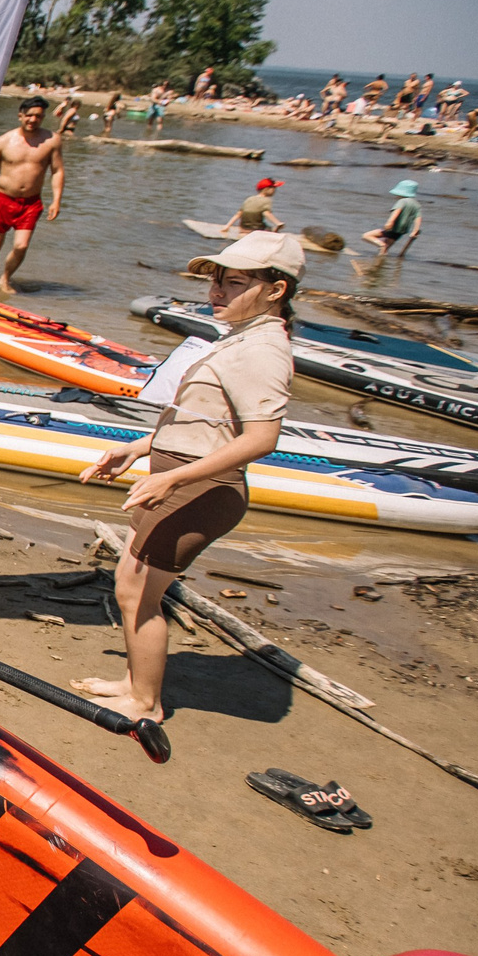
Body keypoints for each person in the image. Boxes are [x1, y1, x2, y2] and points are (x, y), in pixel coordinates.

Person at [74, 231, 300, 726]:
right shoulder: (239, 338)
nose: (216, 291)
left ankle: (145, 704)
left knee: (138, 592)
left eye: (234, 282)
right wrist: (136, 449)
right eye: (216, 281)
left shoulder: (263, 349)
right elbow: (203, 422)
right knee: (130, 585)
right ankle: (136, 684)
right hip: (175, 478)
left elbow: (262, 438)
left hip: (198, 488)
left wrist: (172, 481)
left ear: (276, 289)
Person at [0, 95, 65, 293]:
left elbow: (57, 171)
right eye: (29, 115)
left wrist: (56, 200)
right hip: (2, 200)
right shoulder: (3, 141)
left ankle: (5, 279)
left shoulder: (52, 141)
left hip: (31, 203)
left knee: (21, 246)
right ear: (20, 115)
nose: (33, 120)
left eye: (39, 116)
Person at [364, 178, 422, 258]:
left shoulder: (402, 201)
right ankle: (380, 261)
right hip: (401, 231)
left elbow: (396, 212)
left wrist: (389, 222)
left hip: (393, 228)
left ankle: (381, 245)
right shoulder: (417, 205)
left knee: (366, 236)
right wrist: (415, 231)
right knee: (386, 249)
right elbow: (418, 218)